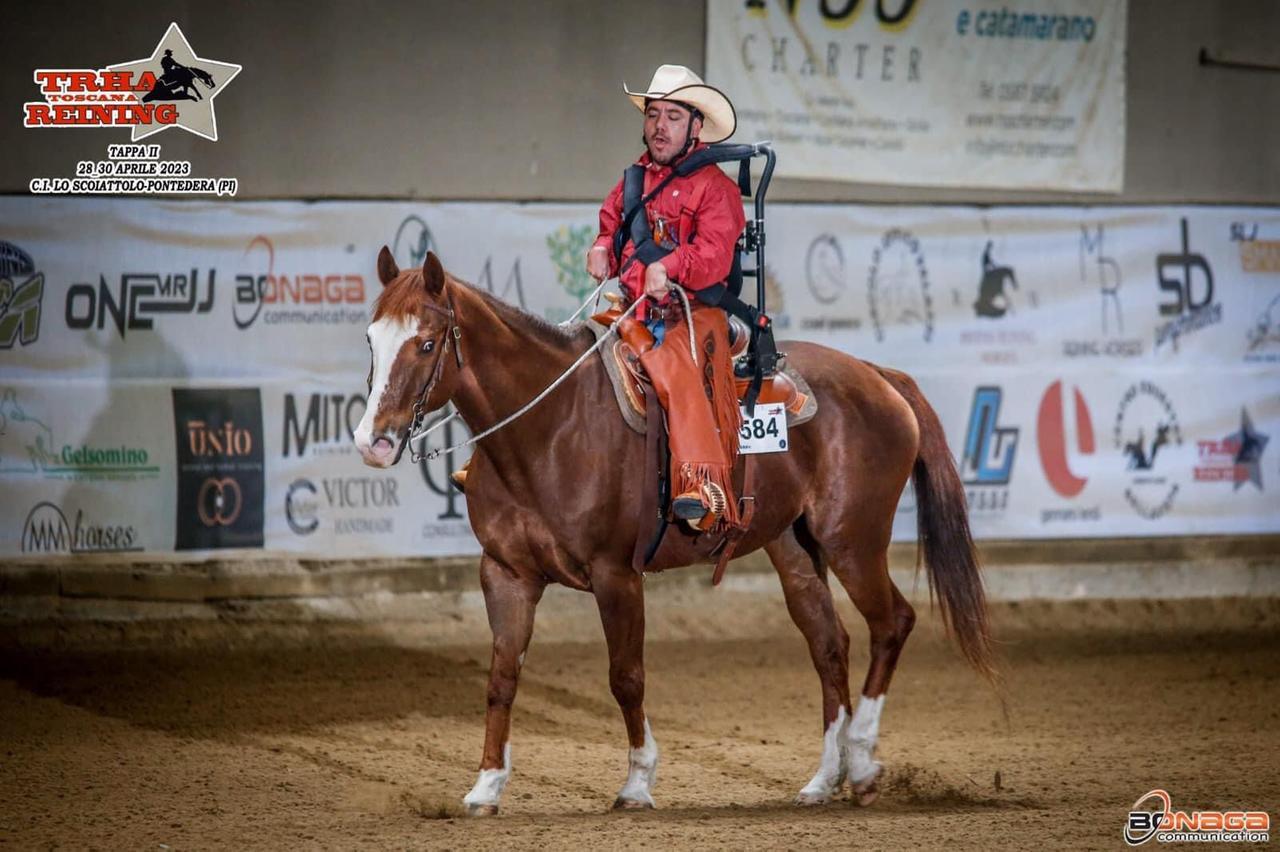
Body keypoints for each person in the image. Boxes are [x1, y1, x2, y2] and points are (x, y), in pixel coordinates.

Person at [587, 64, 747, 532]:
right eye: (654, 114)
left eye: (673, 116)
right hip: (633, 310)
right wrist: (601, 247)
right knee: (572, 352)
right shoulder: (633, 179)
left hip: (693, 315)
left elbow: (715, 257)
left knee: (675, 366)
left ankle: (701, 484)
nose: (660, 126)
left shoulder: (717, 189)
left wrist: (669, 267)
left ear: (696, 127)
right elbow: (611, 221)